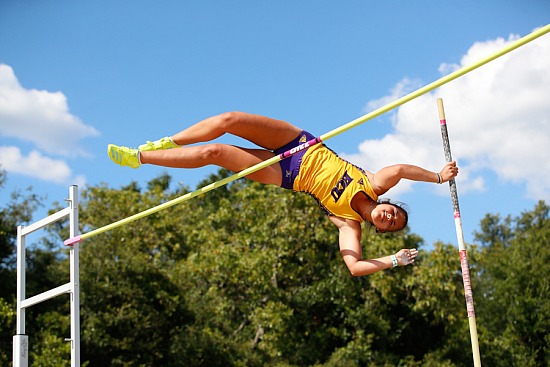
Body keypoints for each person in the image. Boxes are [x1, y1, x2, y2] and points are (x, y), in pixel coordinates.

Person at [108, 111, 458, 276]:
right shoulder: (375, 183)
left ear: (381, 230)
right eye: (394, 212)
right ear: (388, 204)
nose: (390, 218)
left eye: (391, 225)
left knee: (217, 154)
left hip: (286, 173)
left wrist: (394, 260)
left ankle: (139, 158)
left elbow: (353, 265)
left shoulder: (349, 225)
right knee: (230, 118)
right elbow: (399, 170)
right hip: (299, 144)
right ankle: (167, 141)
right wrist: (438, 178)